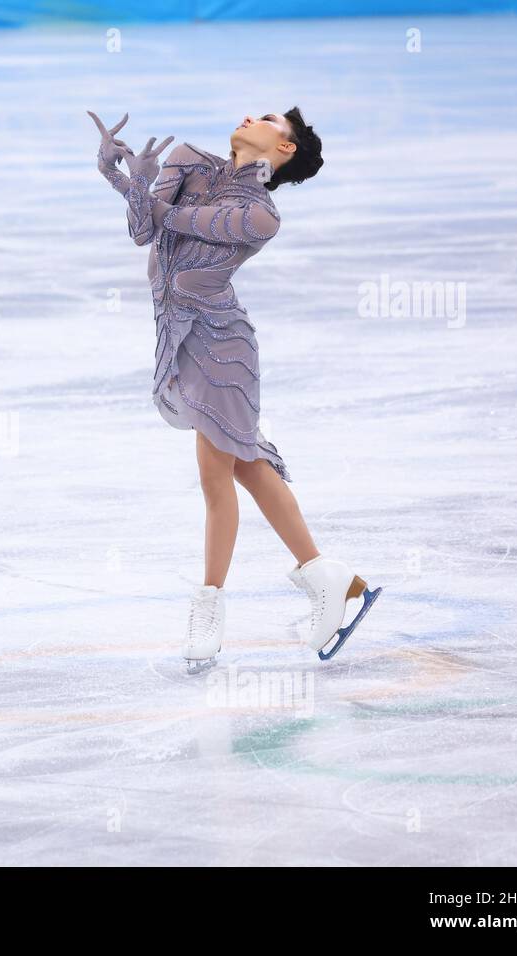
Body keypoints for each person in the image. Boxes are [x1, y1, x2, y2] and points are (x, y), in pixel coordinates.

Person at [89, 108, 380, 673]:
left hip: (223, 350)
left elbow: (177, 222)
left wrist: (128, 183)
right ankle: (331, 580)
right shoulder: (186, 158)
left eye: (269, 118)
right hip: (179, 338)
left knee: (217, 476)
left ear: (285, 149)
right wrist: (128, 178)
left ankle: (210, 608)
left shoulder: (260, 216)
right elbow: (144, 229)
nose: (251, 115)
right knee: (246, 467)